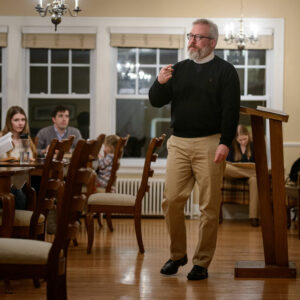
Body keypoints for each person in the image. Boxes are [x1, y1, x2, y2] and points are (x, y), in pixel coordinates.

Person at [148, 19, 240, 280]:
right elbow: (156, 101)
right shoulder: (178, 69)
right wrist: (159, 81)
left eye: (198, 37)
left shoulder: (226, 71)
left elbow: (230, 111)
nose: (192, 41)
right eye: (190, 35)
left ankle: (201, 262)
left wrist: (225, 142)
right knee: (171, 202)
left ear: (212, 42)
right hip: (178, 143)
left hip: (210, 143)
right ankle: (178, 256)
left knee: (209, 207)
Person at [0, 106, 37, 209]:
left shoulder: (25, 138)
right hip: (4, 180)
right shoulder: (2, 137)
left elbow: (28, 158)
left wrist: (29, 159)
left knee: (31, 191)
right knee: (18, 195)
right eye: (16, 120)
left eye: (23, 119)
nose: (20, 123)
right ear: (9, 121)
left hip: (21, 179)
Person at [225, 124, 259, 227]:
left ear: (248, 135)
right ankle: (257, 174)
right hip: (234, 175)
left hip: (249, 176)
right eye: (240, 140)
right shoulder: (232, 146)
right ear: (236, 139)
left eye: (245, 139)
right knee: (225, 167)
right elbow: (228, 162)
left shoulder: (253, 145)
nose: (243, 142)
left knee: (255, 180)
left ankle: (254, 217)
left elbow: (258, 162)